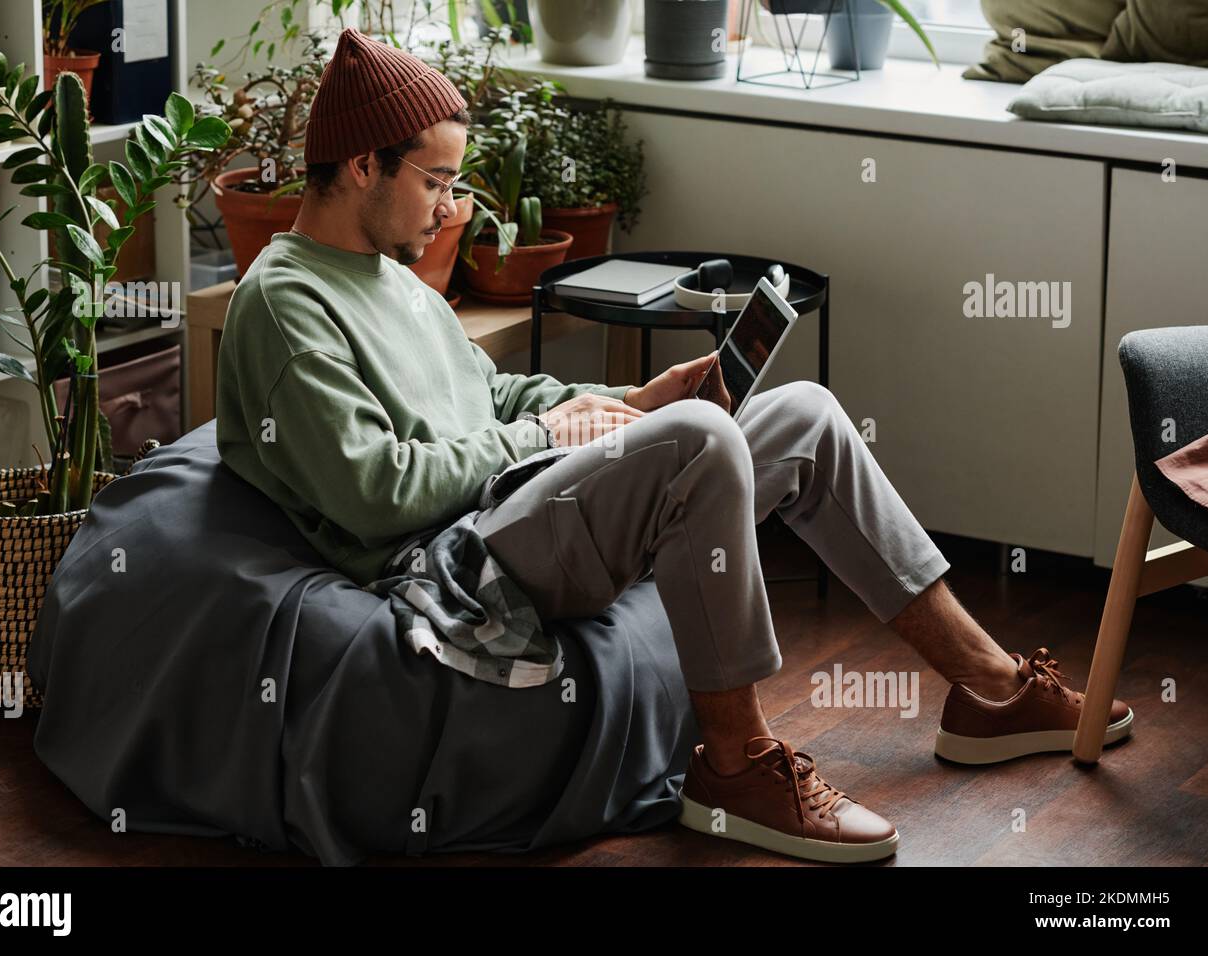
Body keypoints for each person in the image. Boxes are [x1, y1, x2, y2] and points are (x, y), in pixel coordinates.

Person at [215, 28, 1133, 865]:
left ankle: (991, 690)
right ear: (366, 165)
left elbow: (487, 394)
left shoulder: (395, 277)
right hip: (450, 555)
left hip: (516, 489)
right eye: (438, 182)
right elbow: (374, 491)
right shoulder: (289, 304)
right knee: (697, 438)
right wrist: (547, 434)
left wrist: (623, 400)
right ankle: (734, 767)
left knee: (804, 413)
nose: (450, 208)